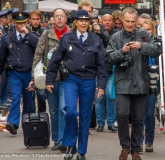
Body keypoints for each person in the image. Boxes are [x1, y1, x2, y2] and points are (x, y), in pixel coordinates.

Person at [46, 9, 107, 160]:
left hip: (88, 81)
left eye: (86, 21)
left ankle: (82, 151)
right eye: (81, 20)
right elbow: (54, 60)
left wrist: (101, 85)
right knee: (71, 111)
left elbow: (101, 65)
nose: (84, 23)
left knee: (86, 116)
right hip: (71, 79)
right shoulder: (67, 39)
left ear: (89, 22)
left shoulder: (95, 40)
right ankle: (70, 145)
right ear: (75, 22)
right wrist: (49, 80)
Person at [106, 7, 160, 160]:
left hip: (141, 82)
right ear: (122, 20)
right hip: (123, 81)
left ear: (136, 21)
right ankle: (125, 147)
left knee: (138, 118)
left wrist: (142, 46)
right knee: (122, 115)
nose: (130, 24)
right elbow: (108, 58)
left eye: (132, 21)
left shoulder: (144, 35)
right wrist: (122, 51)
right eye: (127, 21)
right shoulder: (116, 37)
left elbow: (157, 50)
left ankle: (135, 150)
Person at [28, 8, 69, 151]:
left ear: (65, 18)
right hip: (50, 79)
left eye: (61, 16)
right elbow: (37, 56)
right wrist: (34, 78)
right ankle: (57, 140)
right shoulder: (46, 35)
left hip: (67, 78)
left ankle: (64, 139)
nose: (59, 18)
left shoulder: (71, 34)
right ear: (53, 19)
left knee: (64, 109)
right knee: (54, 111)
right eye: (56, 16)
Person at [0, 11, 39, 135]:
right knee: (15, 97)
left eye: (23, 23)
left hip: (29, 72)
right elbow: (1, 56)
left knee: (28, 99)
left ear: (27, 22)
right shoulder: (8, 37)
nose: (21, 26)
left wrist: (27, 33)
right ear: (14, 23)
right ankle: (13, 123)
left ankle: (27, 122)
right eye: (19, 23)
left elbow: (39, 45)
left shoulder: (31, 35)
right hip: (14, 72)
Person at [95, 14, 117, 133]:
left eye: (109, 20)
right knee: (99, 97)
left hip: (111, 69)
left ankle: (111, 122)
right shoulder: (94, 33)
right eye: (105, 20)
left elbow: (110, 44)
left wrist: (102, 32)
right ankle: (100, 122)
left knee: (110, 95)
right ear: (101, 21)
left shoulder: (116, 34)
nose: (107, 22)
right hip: (98, 70)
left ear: (113, 22)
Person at [139, 20, 158, 153]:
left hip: (152, 81)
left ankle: (149, 141)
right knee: (139, 114)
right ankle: (139, 141)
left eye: (149, 29)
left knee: (149, 113)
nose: (146, 31)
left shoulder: (156, 44)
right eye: (144, 29)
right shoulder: (137, 44)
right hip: (139, 81)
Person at [28, 10, 47, 113]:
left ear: (40, 20)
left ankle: (42, 115)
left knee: (41, 94)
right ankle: (31, 118)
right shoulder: (26, 30)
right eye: (33, 19)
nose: (35, 21)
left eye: (37, 19)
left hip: (40, 66)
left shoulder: (44, 31)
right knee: (30, 96)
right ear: (30, 20)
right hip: (29, 64)